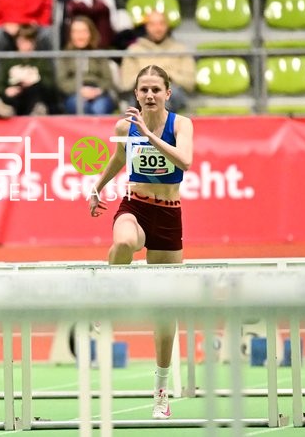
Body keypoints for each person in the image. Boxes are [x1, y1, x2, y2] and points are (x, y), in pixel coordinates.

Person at [87, 65, 193, 420]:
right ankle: (106, 302)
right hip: (135, 206)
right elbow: (118, 159)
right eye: (143, 89)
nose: (149, 95)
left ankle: (162, 390)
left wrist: (150, 135)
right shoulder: (123, 127)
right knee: (123, 243)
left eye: (155, 89)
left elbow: (185, 162)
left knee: (164, 311)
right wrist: (96, 188)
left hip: (169, 215)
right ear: (135, 94)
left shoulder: (181, 125)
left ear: (167, 93)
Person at [118, 11, 196, 113]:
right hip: (142, 94)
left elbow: (190, 83)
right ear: (146, 27)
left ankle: (156, 125)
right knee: (146, 94)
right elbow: (126, 83)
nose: (158, 28)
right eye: (153, 24)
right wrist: (148, 78)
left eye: (161, 23)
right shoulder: (134, 50)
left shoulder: (180, 49)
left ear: (167, 26)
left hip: (172, 94)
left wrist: (168, 76)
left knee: (167, 94)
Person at [57, 16, 120, 115]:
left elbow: (108, 79)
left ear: (91, 33)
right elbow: (62, 81)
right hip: (74, 93)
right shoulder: (65, 56)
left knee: (100, 108)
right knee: (80, 106)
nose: (80, 36)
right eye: (76, 32)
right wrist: (80, 90)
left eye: (83, 31)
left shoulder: (99, 55)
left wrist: (97, 91)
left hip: (99, 93)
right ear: (70, 35)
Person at [0, 24, 56, 116]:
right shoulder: (9, 62)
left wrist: (35, 81)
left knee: (35, 92)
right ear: (16, 42)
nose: (26, 46)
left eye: (29, 41)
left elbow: (51, 86)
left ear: (35, 43)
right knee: (3, 99)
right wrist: (6, 91)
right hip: (13, 100)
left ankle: (37, 112)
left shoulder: (42, 61)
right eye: (22, 41)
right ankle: (4, 110)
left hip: (34, 99)